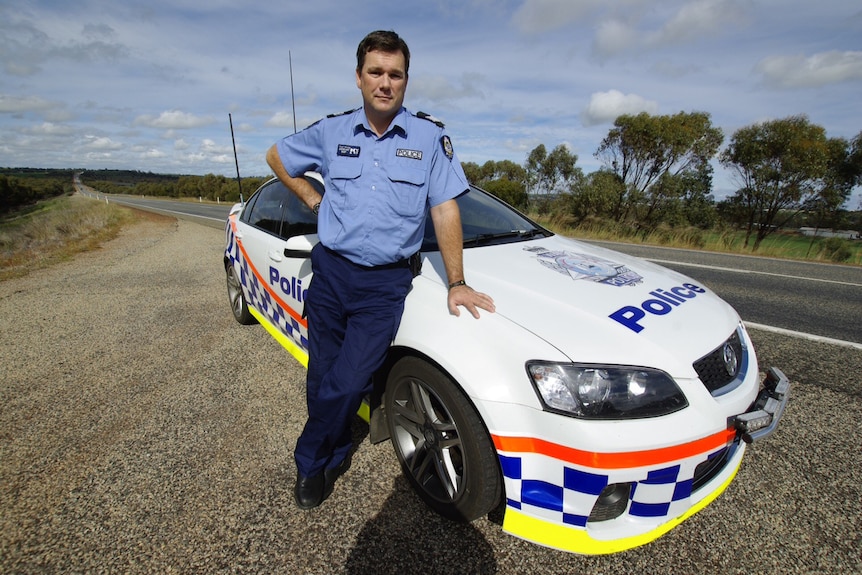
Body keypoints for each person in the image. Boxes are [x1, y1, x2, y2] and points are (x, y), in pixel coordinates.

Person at [266, 30, 495, 510]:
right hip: (330, 275)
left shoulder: (430, 138)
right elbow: (277, 157)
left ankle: (307, 457)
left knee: (349, 382)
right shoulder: (331, 132)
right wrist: (310, 195)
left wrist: (457, 281)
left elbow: (445, 208)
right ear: (358, 77)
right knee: (322, 376)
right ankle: (326, 458)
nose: (385, 83)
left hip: (384, 284)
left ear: (406, 81)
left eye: (395, 75)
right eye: (376, 72)